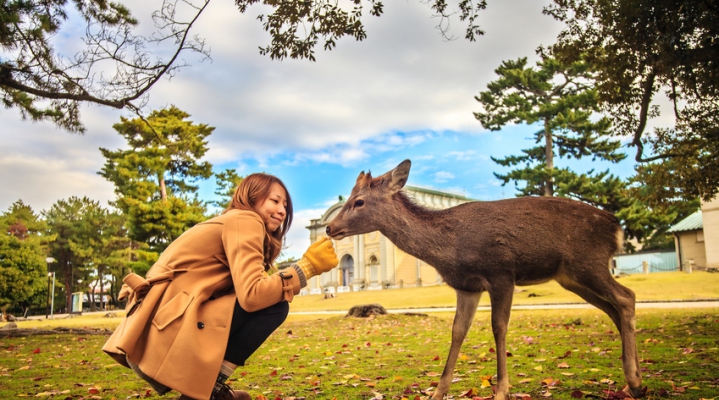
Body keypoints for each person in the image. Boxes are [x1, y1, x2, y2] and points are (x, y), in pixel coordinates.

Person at [102, 173, 339, 400]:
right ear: (252, 197)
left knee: (272, 298)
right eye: (274, 201)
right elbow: (253, 295)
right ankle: (210, 390)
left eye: (285, 205)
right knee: (274, 306)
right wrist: (306, 268)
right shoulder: (245, 220)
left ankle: (207, 389)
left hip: (159, 323)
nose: (282, 210)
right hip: (169, 327)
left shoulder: (231, 221)